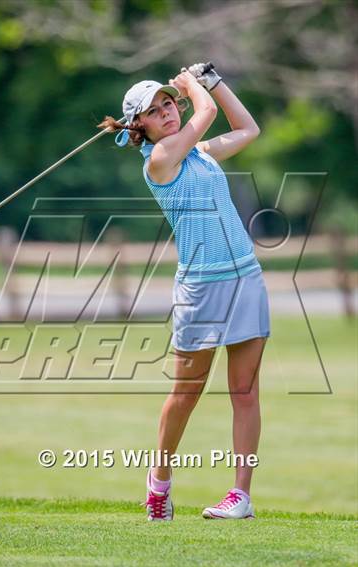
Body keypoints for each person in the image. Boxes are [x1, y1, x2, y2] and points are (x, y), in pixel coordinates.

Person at [97, 63, 270, 521]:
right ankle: (159, 481)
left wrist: (213, 81)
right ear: (141, 127)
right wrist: (196, 87)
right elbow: (207, 112)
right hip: (200, 288)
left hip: (244, 278)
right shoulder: (160, 161)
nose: (168, 112)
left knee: (245, 392)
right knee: (186, 392)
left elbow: (247, 127)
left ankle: (241, 496)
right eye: (155, 111)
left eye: (169, 102)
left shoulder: (201, 155)